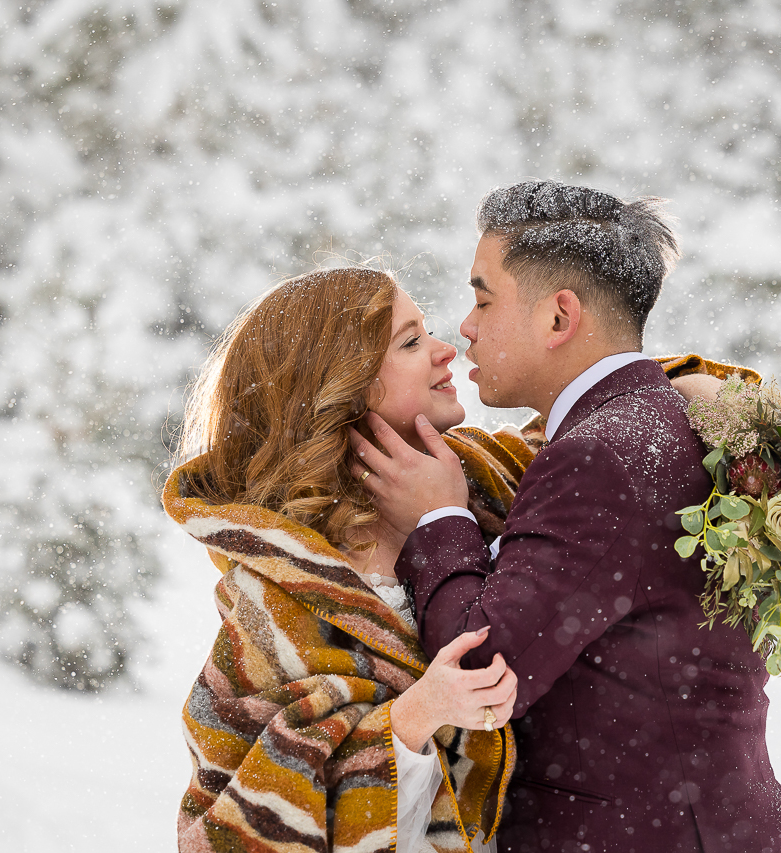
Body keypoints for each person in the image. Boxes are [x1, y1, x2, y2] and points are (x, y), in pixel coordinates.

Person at [351, 181, 781, 852]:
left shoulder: (602, 456)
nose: (466, 328)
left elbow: (482, 678)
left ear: (559, 317)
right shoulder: (669, 422)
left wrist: (439, 517)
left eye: (483, 298)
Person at [163, 268, 525, 853]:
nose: (445, 350)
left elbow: (601, 432)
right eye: (410, 342)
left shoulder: (486, 484)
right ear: (341, 387)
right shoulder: (272, 603)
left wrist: (686, 387)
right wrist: (414, 718)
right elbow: (235, 833)